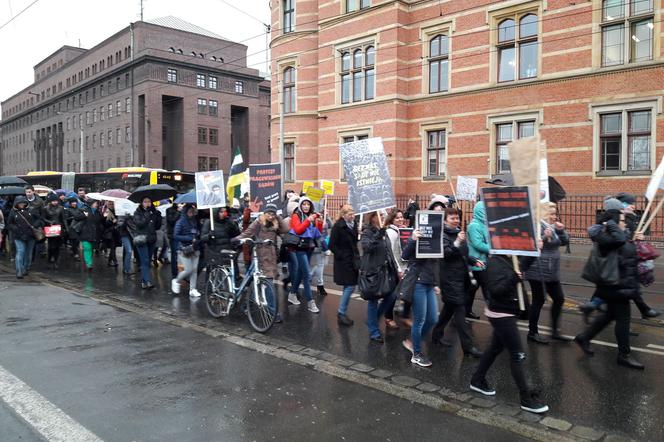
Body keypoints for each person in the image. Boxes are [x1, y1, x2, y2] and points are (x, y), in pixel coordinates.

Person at [469, 253, 549, 414]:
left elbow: (523, 265)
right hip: (501, 315)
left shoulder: (510, 258)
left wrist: (535, 251)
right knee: (517, 355)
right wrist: (514, 278)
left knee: (494, 349)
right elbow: (495, 290)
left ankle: (477, 380)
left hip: (508, 311)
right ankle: (526, 399)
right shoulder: (494, 262)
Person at [574, 200, 644, 369]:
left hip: (616, 284)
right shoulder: (605, 237)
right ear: (611, 222)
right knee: (623, 318)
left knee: (609, 315)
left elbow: (626, 251)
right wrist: (613, 222)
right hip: (614, 285)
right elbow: (620, 242)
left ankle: (584, 337)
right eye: (621, 220)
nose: (624, 223)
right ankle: (623, 355)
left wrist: (634, 239)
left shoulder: (613, 235)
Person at [431, 208, 483, 358]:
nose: (456, 220)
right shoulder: (443, 235)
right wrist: (458, 241)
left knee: (448, 310)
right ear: (445, 220)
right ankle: (468, 347)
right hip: (450, 279)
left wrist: (473, 260)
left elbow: (463, 254)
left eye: (457, 218)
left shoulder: (458, 232)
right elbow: (446, 254)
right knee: (460, 313)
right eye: (452, 218)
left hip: (461, 277)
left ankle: (436, 335)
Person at [525, 203, 571, 344]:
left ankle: (555, 331)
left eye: (554, 213)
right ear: (543, 214)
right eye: (551, 213)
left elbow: (564, 242)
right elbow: (531, 245)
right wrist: (544, 237)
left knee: (559, 299)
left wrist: (561, 231)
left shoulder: (552, 226)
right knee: (538, 301)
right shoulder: (536, 226)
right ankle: (532, 333)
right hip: (537, 270)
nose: (554, 216)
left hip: (551, 271)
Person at [234, 203, 289, 321]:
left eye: (273, 214)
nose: (271, 216)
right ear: (264, 213)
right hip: (260, 257)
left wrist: (278, 217)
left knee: (258, 282)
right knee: (268, 283)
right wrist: (237, 239)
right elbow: (247, 233)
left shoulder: (275, 223)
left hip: (272, 257)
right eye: (269, 213)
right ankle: (272, 312)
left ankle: (245, 305)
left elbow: (285, 229)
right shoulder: (258, 222)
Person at [401, 226, 439, 367]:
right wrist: (413, 239)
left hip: (429, 283)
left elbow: (435, 263)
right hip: (418, 283)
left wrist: (436, 282)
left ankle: (412, 341)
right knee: (420, 320)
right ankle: (416, 354)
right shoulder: (416, 235)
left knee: (433, 318)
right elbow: (404, 256)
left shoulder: (436, 238)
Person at [360, 211, 398, 343]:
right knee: (373, 300)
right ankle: (374, 332)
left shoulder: (384, 231)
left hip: (385, 270)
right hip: (373, 272)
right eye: (379, 215)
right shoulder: (367, 232)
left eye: (383, 215)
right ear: (372, 217)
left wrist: (396, 267)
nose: (382, 216)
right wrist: (378, 235)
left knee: (392, 296)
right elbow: (367, 247)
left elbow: (389, 251)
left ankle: (373, 320)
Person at [287, 197, 322, 313]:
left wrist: (320, 222)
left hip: (309, 248)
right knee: (307, 275)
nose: (306, 206)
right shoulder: (296, 215)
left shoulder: (312, 216)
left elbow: (317, 233)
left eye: (308, 204)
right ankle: (310, 302)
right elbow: (298, 230)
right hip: (299, 248)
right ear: (300, 205)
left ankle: (292, 294)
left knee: (301, 273)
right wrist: (308, 220)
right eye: (304, 204)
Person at [329, 204, 359, 326]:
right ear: (343, 215)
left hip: (353, 259)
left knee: (349, 285)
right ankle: (341, 312)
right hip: (343, 261)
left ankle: (342, 312)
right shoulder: (338, 226)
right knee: (350, 286)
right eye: (349, 214)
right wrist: (341, 255)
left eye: (353, 214)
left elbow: (354, 241)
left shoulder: (354, 224)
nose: (352, 216)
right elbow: (331, 245)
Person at [132, 197, 162, 289]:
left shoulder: (153, 212)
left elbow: (157, 226)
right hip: (141, 239)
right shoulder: (137, 212)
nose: (147, 203)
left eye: (149, 201)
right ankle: (147, 281)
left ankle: (143, 281)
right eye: (145, 202)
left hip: (151, 239)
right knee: (144, 260)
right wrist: (147, 215)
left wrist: (158, 216)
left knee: (147, 261)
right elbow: (139, 224)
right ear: (141, 203)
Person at [7, 196, 40, 278]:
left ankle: (26, 268)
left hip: (30, 235)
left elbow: (39, 219)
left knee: (28, 254)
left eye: (23, 203)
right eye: (19, 203)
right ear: (16, 203)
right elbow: (9, 223)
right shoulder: (13, 212)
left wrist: (35, 225)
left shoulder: (31, 210)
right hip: (19, 236)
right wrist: (15, 229)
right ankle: (19, 271)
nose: (21, 204)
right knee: (20, 252)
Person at [467, 201, 490, 319]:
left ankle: (466, 311)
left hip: (483, 262)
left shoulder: (485, 224)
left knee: (473, 288)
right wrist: (493, 249)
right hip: (476, 262)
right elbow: (478, 244)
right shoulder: (474, 225)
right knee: (486, 288)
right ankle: (494, 313)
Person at [384, 209, 407, 330]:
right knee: (392, 295)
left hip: (404, 266)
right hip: (395, 267)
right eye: (397, 218)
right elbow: (392, 253)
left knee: (403, 293)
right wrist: (398, 269)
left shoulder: (402, 230)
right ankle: (388, 318)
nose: (400, 219)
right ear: (392, 219)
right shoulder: (391, 232)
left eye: (401, 217)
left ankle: (403, 315)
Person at [172, 204, 201, 297]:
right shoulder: (180, 222)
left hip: (195, 247)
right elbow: (176, 235)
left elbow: (196, 231)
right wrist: (189, 238)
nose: (191, 214)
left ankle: (193, 289)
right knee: (188, 269)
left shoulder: (194, 221)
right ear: (185, 212)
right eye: (189, 212)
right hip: (184, 248)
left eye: (192, 212)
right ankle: (176, 280)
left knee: (194, 270)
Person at [75, 198, 103, 271]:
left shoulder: (97, 211)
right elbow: (76, 217)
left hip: (94, 233)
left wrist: (105, 216)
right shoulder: (83, 209)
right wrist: (84, 215)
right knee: (87, 248)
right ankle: (89, 264)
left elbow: (100, 220)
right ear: (91, 203)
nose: (96, 204)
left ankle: (89, 262)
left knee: (91, 248)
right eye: (95, 203)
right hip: (85, 232)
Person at [310, 210, 332, 296]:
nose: (321, 215)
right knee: (320, 265)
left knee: (322, 265)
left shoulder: (324, 220)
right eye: (321, 214)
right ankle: (320, 284)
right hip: (318, 246)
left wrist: (328, 217)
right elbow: (318, 236)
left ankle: (309, 276)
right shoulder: (315, 222)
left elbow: (331, 225)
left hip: (324, 245)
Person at [42, 193, 67, 268]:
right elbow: (43, 218)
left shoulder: (61, 208)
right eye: (53, 201)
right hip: (50, 228)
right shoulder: (46, 208)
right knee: (50, 246)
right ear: (50, 201)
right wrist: (49, 222)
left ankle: (56, 260)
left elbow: (64, 219)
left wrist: (66, 228)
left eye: (56, 201)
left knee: (57, 246)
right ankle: (50, 258)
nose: (55, 202)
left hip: (58, 228)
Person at [102, 201, 121, 267]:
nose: (111, 205)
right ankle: (115, 261)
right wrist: (113, 222)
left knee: (114, 247)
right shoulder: (106, 212)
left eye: (112, 204)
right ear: (107, 204)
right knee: (113, 246)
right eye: (110, 204)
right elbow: (104, 223)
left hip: (116, 231)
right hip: (109, 232)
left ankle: (109, 261)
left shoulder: (116, 211)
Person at [166, 204, 182, 279]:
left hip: (183, 234)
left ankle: (184, 272)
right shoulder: (169, 210)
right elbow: (171, 221)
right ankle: (174, 274)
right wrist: (178, 212)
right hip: (173, 235)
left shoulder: (184, 210)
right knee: (174, 254)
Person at [64, 196, 82, 261]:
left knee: (77, 241)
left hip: (79, 227)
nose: (74, 203)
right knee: (74, 240)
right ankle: (76, 254)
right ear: (70, 203)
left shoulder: (79, 209)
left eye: (75, 202)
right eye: (73, 202)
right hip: (71, 227)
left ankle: (73, 250)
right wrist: (72, 218)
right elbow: (66, 219)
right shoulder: (67, 209)